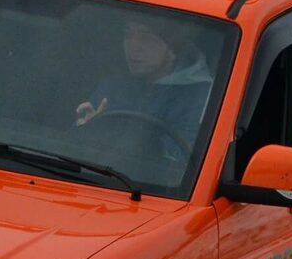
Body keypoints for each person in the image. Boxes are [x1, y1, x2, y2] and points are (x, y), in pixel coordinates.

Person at [75, 17, 212, 157]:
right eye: (127, 34)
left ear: (172, 46)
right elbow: (70, 150)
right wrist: (86, 129)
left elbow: (181, 163)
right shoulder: (112, 86)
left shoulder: (202, 97)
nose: (133, 47)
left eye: (146, 37)